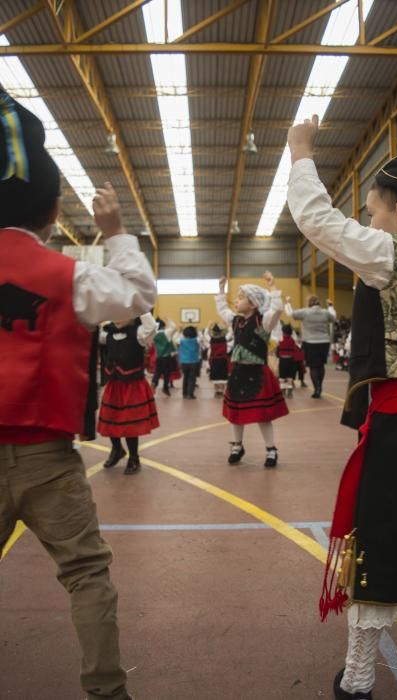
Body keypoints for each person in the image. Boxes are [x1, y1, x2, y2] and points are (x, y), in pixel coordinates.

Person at [287, 115, 397, 700]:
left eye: (372, 211)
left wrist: (301, 152)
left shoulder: (393, 253)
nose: (367, 220)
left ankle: (360, 677)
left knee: (383, 538)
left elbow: (316, 219)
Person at [0, 91, 155, 700]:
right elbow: (139, 294)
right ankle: (106, 689)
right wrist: (115, 233)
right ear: (54, 210)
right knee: (87, 573)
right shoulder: (72, 274)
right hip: (46, 456)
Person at [215, 272, 289, 468]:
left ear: (253, 303)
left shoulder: (263, 321)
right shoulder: (236, 321)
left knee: (263, 416)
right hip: (238, 372)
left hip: (257, 373)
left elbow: (277, 309)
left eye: (241, 298)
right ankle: (237, 446)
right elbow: (222, 310)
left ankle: (271, 449)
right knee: (235, 414)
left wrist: (273, 288)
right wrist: (221, 290)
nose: (236, 301)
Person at [98, 313, 159, 473]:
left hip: (132, 384)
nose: (118, 318)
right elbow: (91, 328)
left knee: (130, 422)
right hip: (114, 383)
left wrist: (139, 305)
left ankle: (134, 457)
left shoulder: (139, 334)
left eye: (123, 314)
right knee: (111, 419)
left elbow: (151, 326)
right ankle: (117, 449)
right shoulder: (107, 333)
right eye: (116, 313)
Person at [285, 294, 336, 397]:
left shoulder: (305, 312)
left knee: (313, 367)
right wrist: (330, 306)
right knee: (321, 365)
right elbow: (333, 317)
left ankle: (316, 389)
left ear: (309, 303)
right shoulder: (325, 313)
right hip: (324, 342)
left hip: (310, 342)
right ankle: (320, 386)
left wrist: (288, 303)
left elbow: (290, 314)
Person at [152, 317, 176, 395]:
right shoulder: (166, 333)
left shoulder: (154, 334)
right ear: (164, 326)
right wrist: (169, 320)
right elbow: (174, 327)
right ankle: (165, 387)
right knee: (167, 373)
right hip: (166, 356)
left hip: (158, 356)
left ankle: (154, 384)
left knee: (157, 371)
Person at [207, 322, 230, 396]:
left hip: (214, 360)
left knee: (215, 375)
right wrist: (226, 325)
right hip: (223, 359)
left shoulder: (211, 339)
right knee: (223, 375)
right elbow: (231, 332)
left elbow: (206, 334)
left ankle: (217, 391)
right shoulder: (225, 338)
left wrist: (208, 325)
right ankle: (222, 391)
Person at [178, 324, 201, 399]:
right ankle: (190, 394)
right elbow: (202, 337)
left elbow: (176, 338)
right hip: (194, 361)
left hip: (184, 362)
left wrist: (180, 330)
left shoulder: (181, 340)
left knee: (185, 377)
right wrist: (197, 329)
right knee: (192, 378)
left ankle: (184, 393)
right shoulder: (197, 340)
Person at [276, 323, 298, 396]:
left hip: (282, 360)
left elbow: (277, 349)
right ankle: (289, 390)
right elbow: (295, 349)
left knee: (282, 376)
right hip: (291, 360)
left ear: (283, 331)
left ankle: (282, 390)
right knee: (290, 376)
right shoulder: (292, 340)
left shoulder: (280, 339)